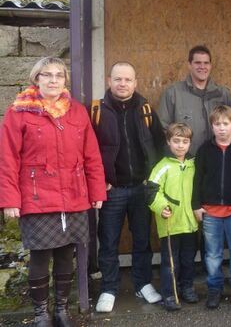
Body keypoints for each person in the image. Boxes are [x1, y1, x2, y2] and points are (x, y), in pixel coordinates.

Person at [0, 57, 106, 326]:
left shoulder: (77, 111)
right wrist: (10, 199)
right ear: (37, 79)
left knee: (65, 253)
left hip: (73, 195)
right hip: (36, 196)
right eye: (47, 75)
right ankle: (40, 314)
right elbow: (7, 158)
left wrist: (96, 192)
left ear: (64, 81)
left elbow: (91, 155)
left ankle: (61, 310)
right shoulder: (19, 112)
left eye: (59, 75)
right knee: (40, 254)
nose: (53, 80)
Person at [92, 62, 165, 313]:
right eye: (118, 79)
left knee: (142, 240)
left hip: (139, 188)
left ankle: (142, 283)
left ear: (135, 82)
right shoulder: (97, 111)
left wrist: (151, 178)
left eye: (128, 80)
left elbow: (158, 143)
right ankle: (109, 288)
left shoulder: (145, 110)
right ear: (109, 81)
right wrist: (100, 182)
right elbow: (88, 151)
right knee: (109, 241)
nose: (123, 84)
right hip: (112, 190)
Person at [192, 105, 231, 309]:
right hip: (210, 212)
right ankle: (214, 288)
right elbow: (197, 179)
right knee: (212, 254)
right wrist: (196, 205)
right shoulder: (204, 150)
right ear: (212, 126)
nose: (221, 128)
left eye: (225, 124)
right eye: (217, 124)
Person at [147, 123, 199, 311]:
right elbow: (152, 190)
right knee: (170, 261)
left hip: (190, 223)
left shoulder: (194, 164)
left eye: (184, 142)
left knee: (188, 259)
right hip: (170, 222)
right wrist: (161, 207)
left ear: (189, 143)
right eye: (176, 141)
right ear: (169, 142)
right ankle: (169, 293)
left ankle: (187, 287)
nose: (180, 146)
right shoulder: (163, 166)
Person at [158, 45, 231, 154]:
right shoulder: (173, 93)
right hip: (186, 162)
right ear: (189, 65)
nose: (202, 66)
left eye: (206, 63)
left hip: (217, 159)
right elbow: (163, 128)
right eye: (198, 63)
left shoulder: (223, 95)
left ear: (210, 65)